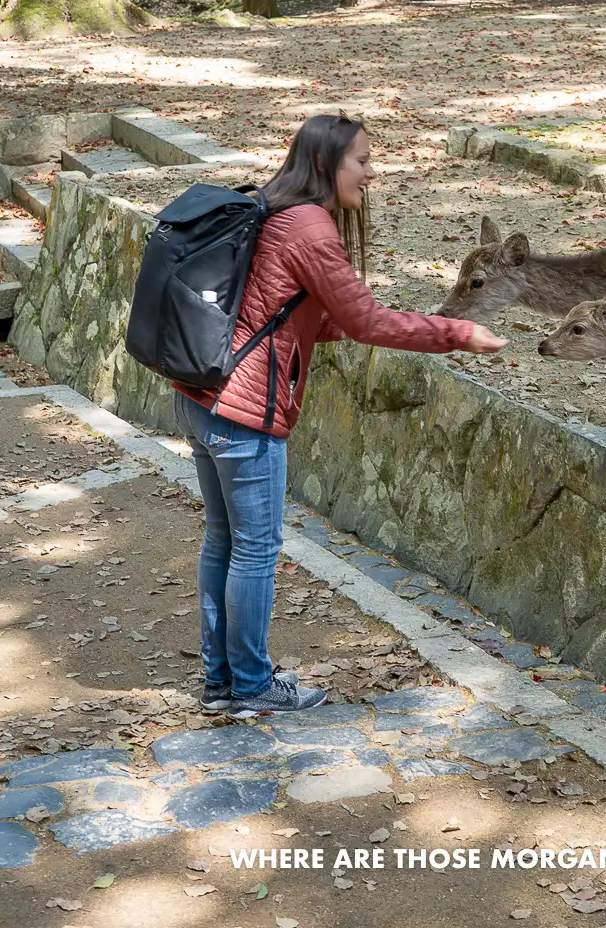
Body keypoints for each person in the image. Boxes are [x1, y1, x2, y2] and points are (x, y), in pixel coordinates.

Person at [173, 113, 506, 716]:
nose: (372, 174)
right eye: (363, 161)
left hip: (204, 395)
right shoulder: (310, 227)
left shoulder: (272, 206)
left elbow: (291, 311)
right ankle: (248, 685)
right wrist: (456, 332)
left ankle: (223, 679)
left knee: (224, 540)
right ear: (328, 165)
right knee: (254, 548)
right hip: (246, 409)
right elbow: (366, 322)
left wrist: (345, 323)